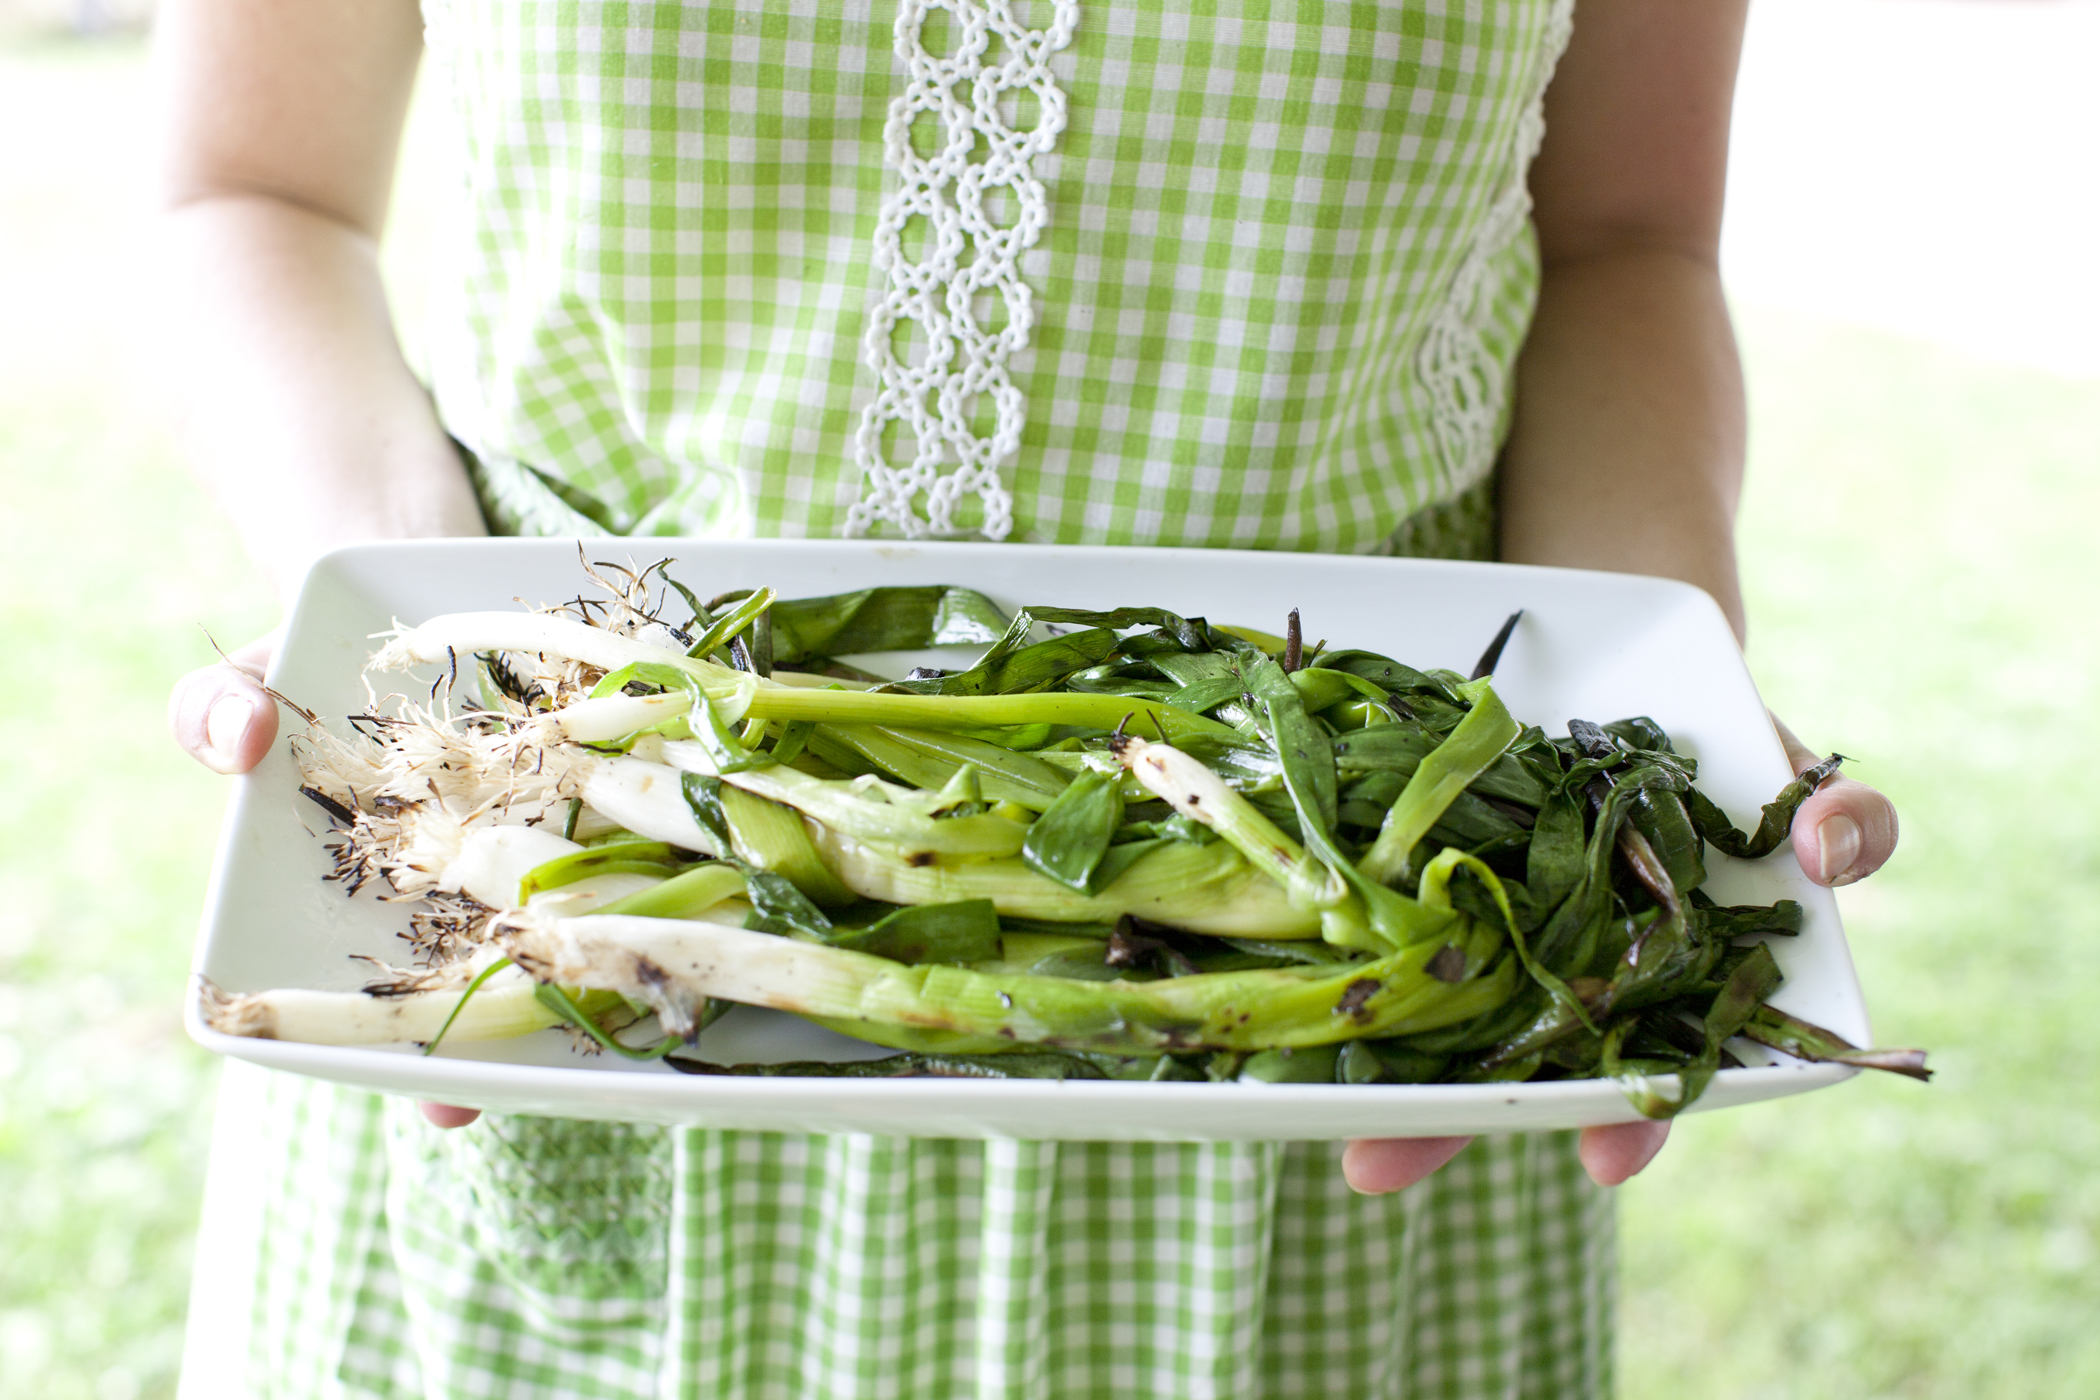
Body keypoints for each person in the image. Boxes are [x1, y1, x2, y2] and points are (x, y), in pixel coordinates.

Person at [160, 0, 1900, 1394]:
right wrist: (427, 653)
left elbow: (1627, 240)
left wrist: (1645, 710)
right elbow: (260, 183)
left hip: (1348, 998)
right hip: (556, 870)